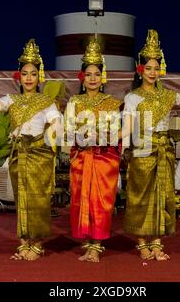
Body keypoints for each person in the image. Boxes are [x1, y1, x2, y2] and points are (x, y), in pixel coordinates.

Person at [122, 29, 180, 261]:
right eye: (148, 68)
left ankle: (156, 241)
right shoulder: (132, 97)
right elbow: (128, 126)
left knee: (162, 195)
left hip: (163, 150)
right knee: (141, 196)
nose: (152, 72)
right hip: (143, 150)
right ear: (140, 69)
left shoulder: (167, 96)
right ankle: (142, 241)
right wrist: (125, 149)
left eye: (156, 68)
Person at [0, 38, 62, 261]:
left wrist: (46, 144)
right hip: (18, 155)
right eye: (25, 73)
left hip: (39, 154)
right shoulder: (12, 100)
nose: (28, 78)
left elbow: (57, 124)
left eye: (32, 73)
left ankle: (37, 244)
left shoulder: (46, 102)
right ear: (18, 76)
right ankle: (23, 243)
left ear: (39, 77)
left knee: (37, 199)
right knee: (21, 198)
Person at [66, 38, 122, 262]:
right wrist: (80, 138)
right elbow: (68, 131)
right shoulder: (74, 101)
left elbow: (119, 132)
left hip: (104, 158)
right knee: (81, 199)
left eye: (96, 74)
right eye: (88, 74)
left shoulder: (112, 102)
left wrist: (101, 138)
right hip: (81, 158)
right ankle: (88, 241)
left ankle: (97, 245)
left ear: (103, 76)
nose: (92, 79)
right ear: (82, 77)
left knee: (101, 202)